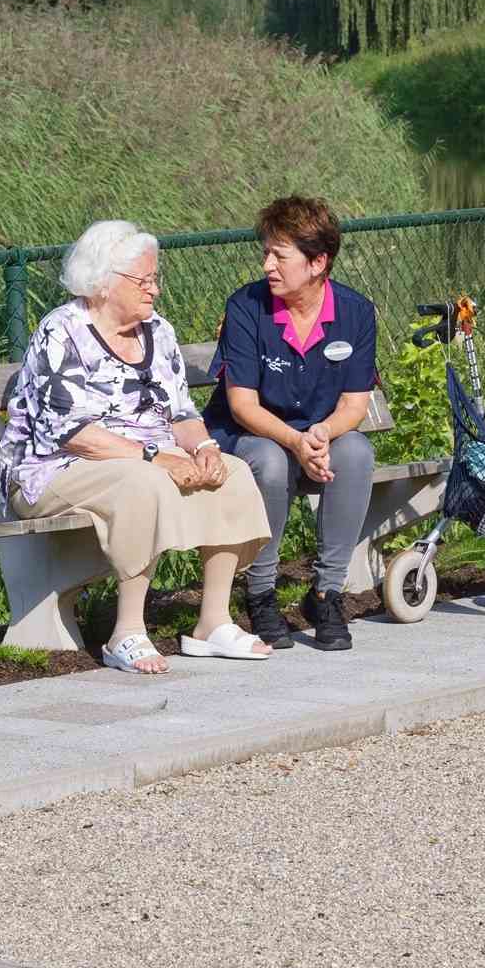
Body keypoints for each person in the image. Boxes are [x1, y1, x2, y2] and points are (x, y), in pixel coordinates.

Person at [0, 220, 277, 671]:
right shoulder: (62, 332)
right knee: (141, 483)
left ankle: (213, 623)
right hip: (52, 468)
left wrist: (203, 447)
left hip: (143, 460)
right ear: (102, 283)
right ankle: (126, 632)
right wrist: (156, 457)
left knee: (234, 471)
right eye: (143, 281)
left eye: (155, 279)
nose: (154, 290)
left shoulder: (158, 331)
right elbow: (70, 433)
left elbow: (181, 411)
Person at [205, 194, 382, 654]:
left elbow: (354, 404)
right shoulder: (245, 307)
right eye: (266, 252)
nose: (267, 265)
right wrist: (296, 441)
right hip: (250, 436)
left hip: (312, 436)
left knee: (357, 452)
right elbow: (241, 404)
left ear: (317, 261)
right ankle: (260, 593)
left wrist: (322, 434)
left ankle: (326, 594)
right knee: (270, 460)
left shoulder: (356, 312)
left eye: (279, 255)